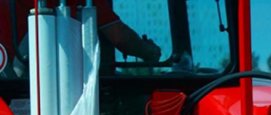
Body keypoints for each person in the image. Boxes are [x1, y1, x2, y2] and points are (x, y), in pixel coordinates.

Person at [0, 0, 160, 77]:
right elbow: (119, 37)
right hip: (54, 80)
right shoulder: (86, 2)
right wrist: (150, 51)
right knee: (136, 100)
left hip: (11, 79)